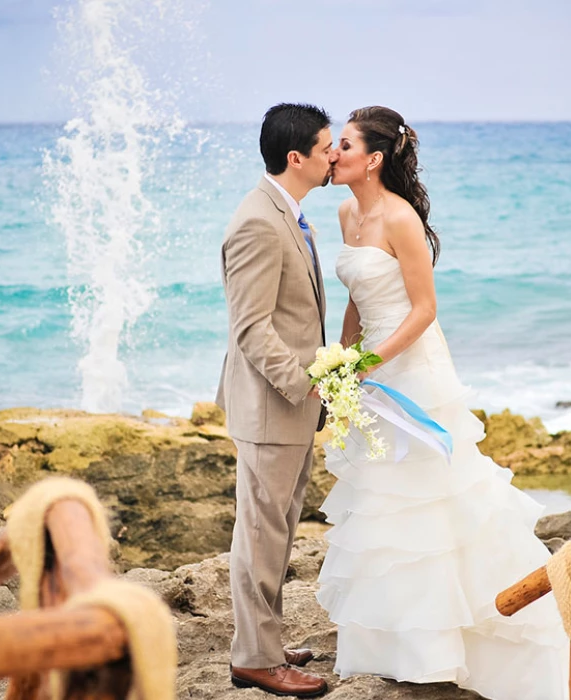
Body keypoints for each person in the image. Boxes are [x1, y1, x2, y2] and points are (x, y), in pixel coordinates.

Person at [315, 105, 571, 699]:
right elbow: (357, 297)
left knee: (433, 498)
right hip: (368, 367)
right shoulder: (346, 211)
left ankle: (472, 639)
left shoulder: (400, 219)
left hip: (413, 370)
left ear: (373, 158)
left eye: (342, 144)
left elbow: (423, 310)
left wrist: (370, 359)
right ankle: (402, 644)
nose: (331, 154)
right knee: (384, 504)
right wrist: (340, 359)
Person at [216, 103, 334, 698]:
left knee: (277, 530)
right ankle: (256, 660)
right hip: (271, 407)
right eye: (324, 148)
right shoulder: (258, 222)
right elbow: (252, 328)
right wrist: (306, 384)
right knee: (262, 534)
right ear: (297, 158)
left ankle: (262, 641)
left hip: (288, 407)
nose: (333, 156)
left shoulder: (287, 213)